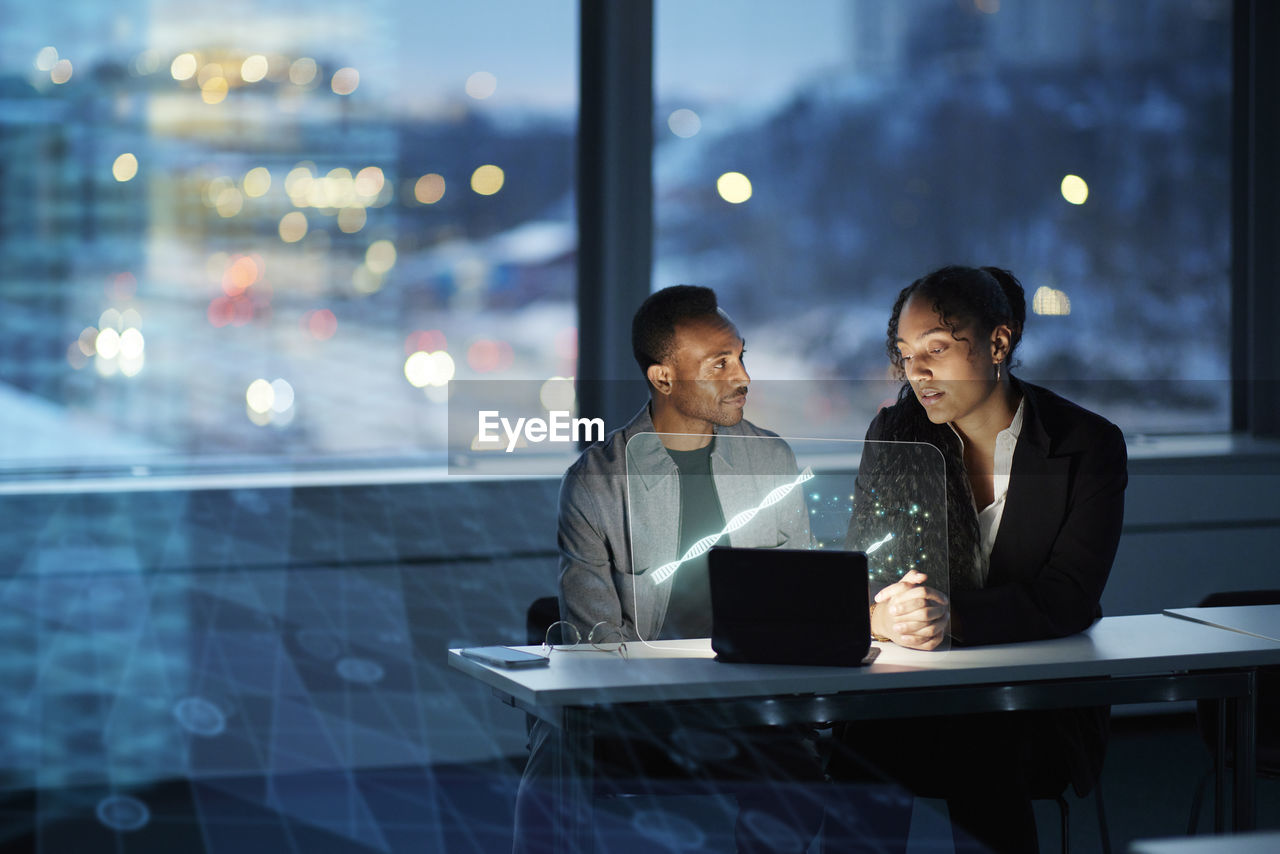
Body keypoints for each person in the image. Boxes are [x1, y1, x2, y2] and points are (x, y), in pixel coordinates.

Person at [513, 285, 826, 854]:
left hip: (748, 705)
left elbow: (801, 605)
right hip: (639, 711)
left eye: (741, 356)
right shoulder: (596, 482)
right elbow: (597, 647)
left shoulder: (770, 459)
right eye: (720, 363)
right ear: (663, 378)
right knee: (554, 769)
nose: (743, 377)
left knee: (809, 782)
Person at [829, 265, 1128, 853]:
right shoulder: (895, 433)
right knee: (859, 751)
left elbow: (1068, 597)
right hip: (911, 697)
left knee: (979, 739)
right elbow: (864, 576)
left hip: (1033, 701)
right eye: (905, 353)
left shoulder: (1088, 442)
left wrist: (953, 618)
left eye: (937, 348)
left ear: (999, 342)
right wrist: (884, 616)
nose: (917, 371)